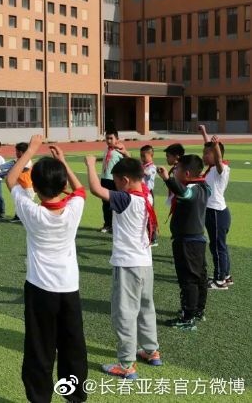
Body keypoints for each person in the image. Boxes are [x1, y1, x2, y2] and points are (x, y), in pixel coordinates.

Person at [4, 135, 87, 403]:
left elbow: (10, 179)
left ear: (35, 187)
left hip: (40, 289)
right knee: (72, 347)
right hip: (69, 289)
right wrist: (63, 163)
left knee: (40, 348)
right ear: (62, 184)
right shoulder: (74, 208)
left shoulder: (31, 211)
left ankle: (40, 398)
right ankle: (74, 397)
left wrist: (30, 150)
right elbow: (80, 190)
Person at [85, 156, 161, 380]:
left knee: (125, 313)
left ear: (126, 180)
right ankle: (151, 350)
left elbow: (97, 190)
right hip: (145, 263)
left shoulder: (126, 199)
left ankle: (127, 364)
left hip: (128, 264)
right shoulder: (147, 193)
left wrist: (90, 165)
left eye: (116, 181)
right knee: (147, 309)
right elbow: (139, 175)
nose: (115, 185)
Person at [157, 155, 210, 330]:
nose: (174, 171)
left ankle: (188, 317)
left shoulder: (193, 189)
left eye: (177, 169)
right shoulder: (204, 186)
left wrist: (167, 179)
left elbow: (185, 193)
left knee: (189, 280)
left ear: (187, 173)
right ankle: (197, 311)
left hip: (188, 241)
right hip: (196, 240)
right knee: (199, 277)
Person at [199, 125, 233, 290]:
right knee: (220, 245)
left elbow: (218, 159)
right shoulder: (211, 169)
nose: (204, 156)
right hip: (215, 212)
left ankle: (220, 280)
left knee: (217, 247)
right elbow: (210, 151)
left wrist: (216, 144)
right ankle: (225, 275)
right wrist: (205, 134)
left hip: (217, 213)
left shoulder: (222, 169)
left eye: (207, 153)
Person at [98, 130, 129, 233]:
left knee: (115, 203)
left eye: (111, 138)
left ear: (117, 139)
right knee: (105, 204)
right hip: (104, 179)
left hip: (114, 181)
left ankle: (117, 225)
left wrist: (125, 153)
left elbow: (128, 161)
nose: (108, 140)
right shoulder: (107, 149)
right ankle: (107, 224)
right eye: (107, 138)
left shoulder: (120, 150)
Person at [140, 145, 158, 245]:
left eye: (144, 156)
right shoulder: (143, 166)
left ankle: (153, 238)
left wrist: (137, 167)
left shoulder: (152, 167)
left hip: (148, 193)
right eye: (141, 155)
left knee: (150, 216)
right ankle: (146, 235)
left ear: (151, 155)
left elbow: (146, 173)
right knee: (143, 214)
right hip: (141, 193)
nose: (142, 158)